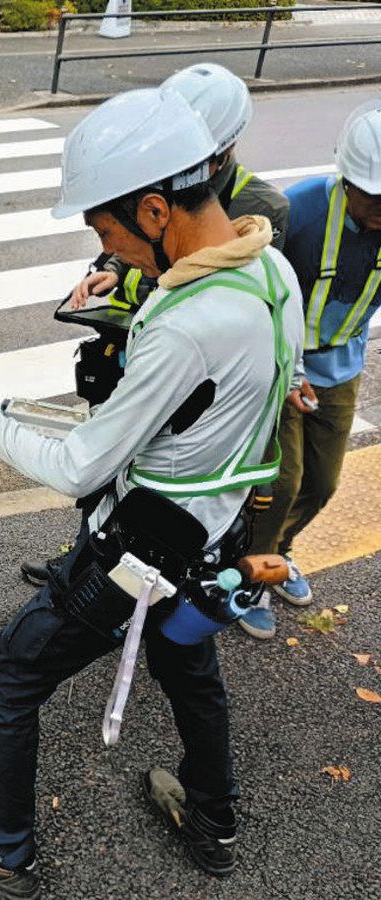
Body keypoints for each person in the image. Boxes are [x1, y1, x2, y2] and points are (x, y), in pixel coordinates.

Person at [0, 87, 304, 899]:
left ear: (157, 210)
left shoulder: (187, 320)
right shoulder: (271, 270)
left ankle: (4, 848)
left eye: (107, 233)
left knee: (10, 677)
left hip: (141, 551)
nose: (112, 252)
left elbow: (78, 466)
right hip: (217, 532)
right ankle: (213, 819)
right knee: (189, 669)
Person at [19, 62, 290, 588]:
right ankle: (86, 559)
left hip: (185, 375)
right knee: (112, 458)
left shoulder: (252, 220)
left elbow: (77, 466)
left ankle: (104, 573)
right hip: (146, 341)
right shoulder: (181, 207)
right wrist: (111, 270)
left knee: (125, 461)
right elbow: (135, 239)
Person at [238, 99, 381, 640]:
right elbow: (259, 289)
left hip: (341, 366)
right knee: (282, 480)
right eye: (374, 196)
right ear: (349, 180)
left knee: (322, 483)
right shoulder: (299, 209)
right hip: (281, 365)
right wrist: (287, 369)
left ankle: (277, 552)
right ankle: (250, 575)